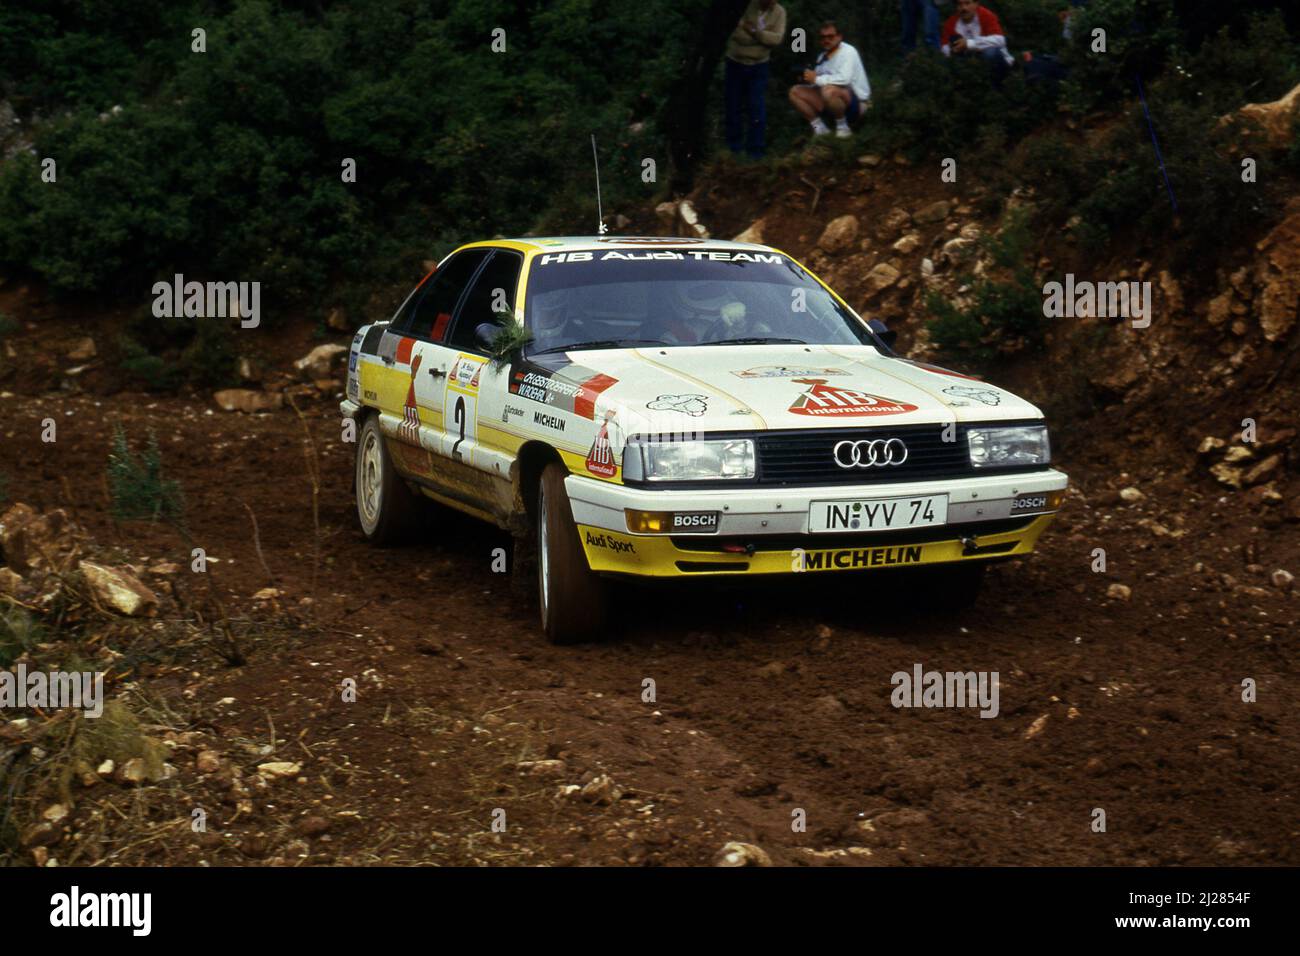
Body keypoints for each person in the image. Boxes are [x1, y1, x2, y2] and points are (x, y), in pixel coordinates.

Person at [724, 0, 787, 159]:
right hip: (735, 63)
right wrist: (763, 38)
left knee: (756, 108)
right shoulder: (745, 5)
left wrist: (753, 31)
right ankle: (734, 150)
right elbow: (736, 33)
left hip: (759, 66)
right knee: (733, 106)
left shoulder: (779, 12)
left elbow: (777, 39)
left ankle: (756, 153)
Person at [788, 22, 871, 139]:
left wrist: (816, 79)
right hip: (832, 103)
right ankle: (820, 129)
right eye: (823, 37)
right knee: (795, 92)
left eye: (830, 36)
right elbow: (818, 82)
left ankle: (843, 128)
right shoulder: (822, 56)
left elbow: (844, 79)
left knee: (829, 90)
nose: (826, 40)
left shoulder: (848, 51)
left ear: (839, 36)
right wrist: (808, 79)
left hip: (856, 104)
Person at [941, 0, 1013, 81]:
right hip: (967, 62)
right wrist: (952, 49)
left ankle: (1001, 85)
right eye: (959, 4)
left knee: (990, 53)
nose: (963, 8)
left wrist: (969, 43)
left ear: (976, 4)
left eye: (967, 3)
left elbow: (1000, 40)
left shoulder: (986, 15)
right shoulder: (951, 22)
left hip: (998, 61)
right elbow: (944, 46)